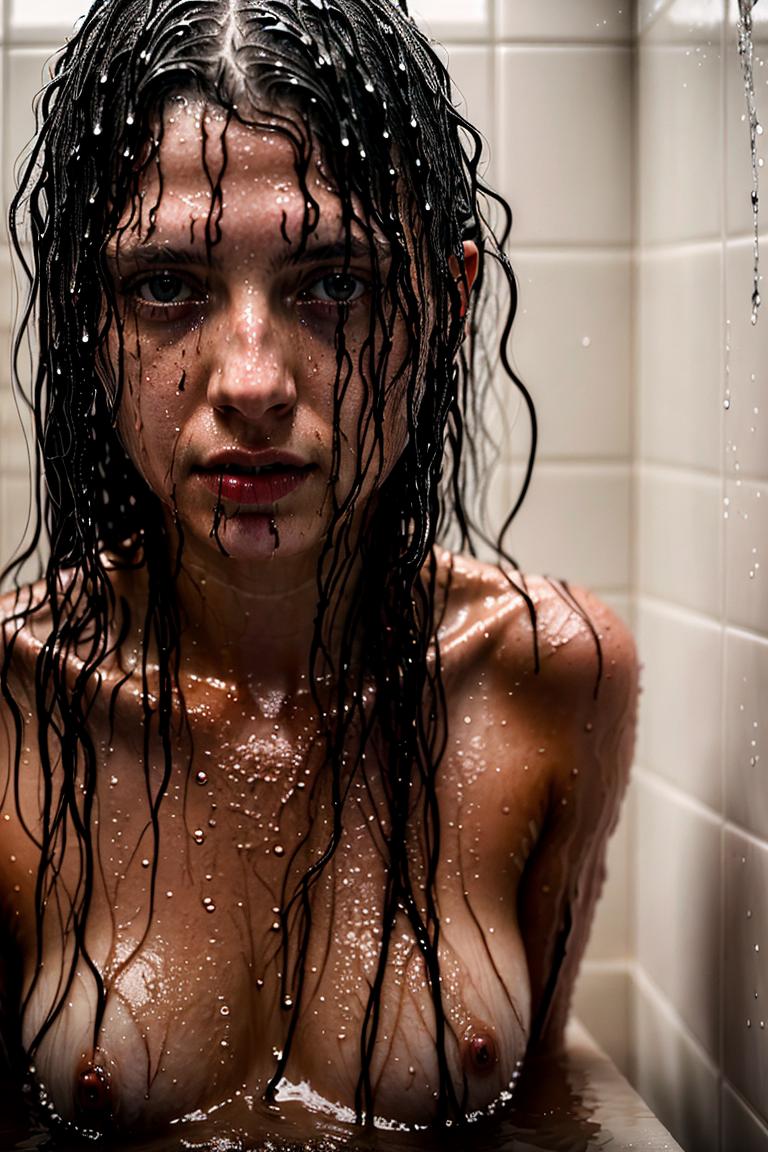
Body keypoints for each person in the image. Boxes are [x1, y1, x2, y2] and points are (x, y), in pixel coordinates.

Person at [0, 0, 638, 1144]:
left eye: (334, 283)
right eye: (166, 286)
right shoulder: (8, 706)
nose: (251, 378)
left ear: (447, 302)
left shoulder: (549, 682)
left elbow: (536, 1105)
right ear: (90, 319)